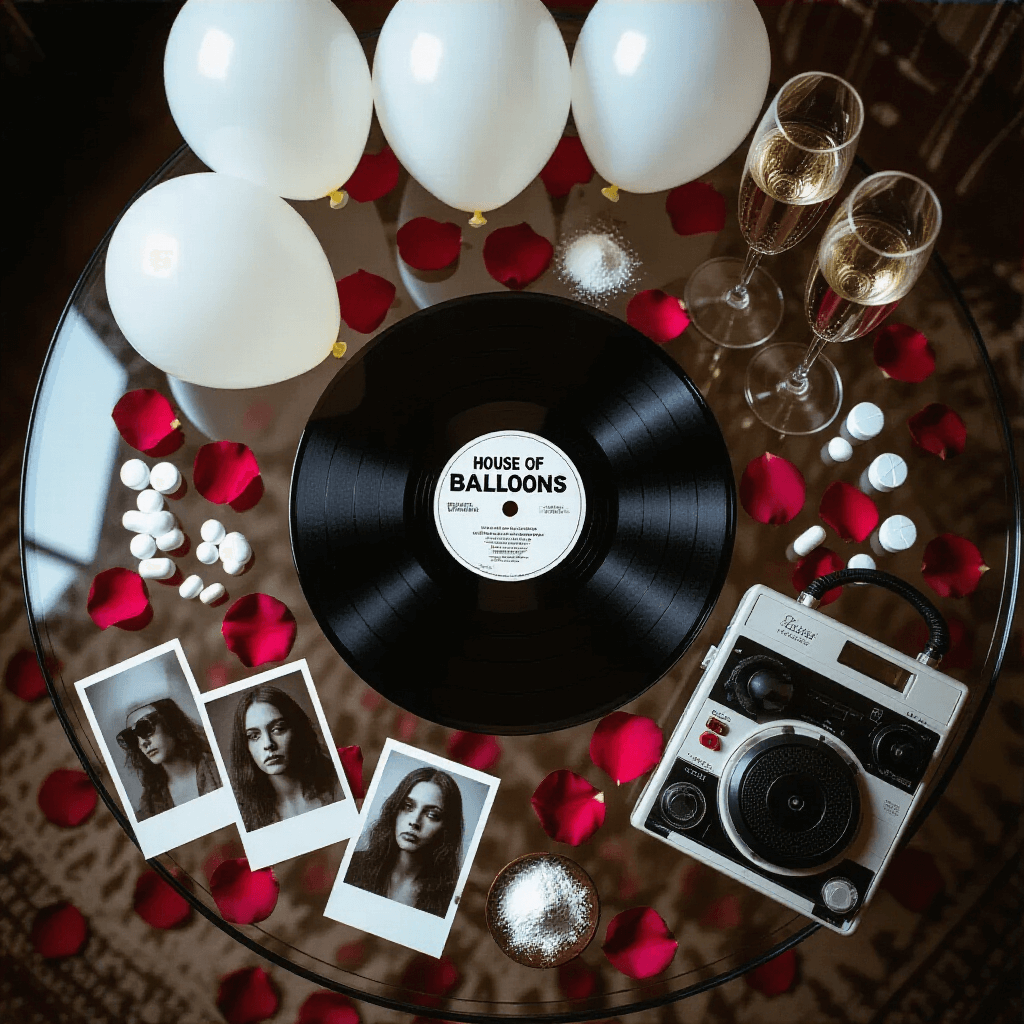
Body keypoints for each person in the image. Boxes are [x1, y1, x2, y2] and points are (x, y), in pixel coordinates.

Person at [346, 766, 464, 917]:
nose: (414, 821)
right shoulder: (353, 865)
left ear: (446, 827)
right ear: (394, 810)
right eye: (408, 807)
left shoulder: (449, 899)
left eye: (432, 814)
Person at [229, 683, 341, 832]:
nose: (268, 744)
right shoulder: (245, 818)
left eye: (278, 729)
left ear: (297, 729)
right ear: (245, 747)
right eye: (254, 736)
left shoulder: (338, 784)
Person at [117, 698, 221, 821]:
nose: (142, 743)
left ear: (170, 723)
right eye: (133, 738)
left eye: (145, 728)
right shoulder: (149, 805)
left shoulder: (219, 769)